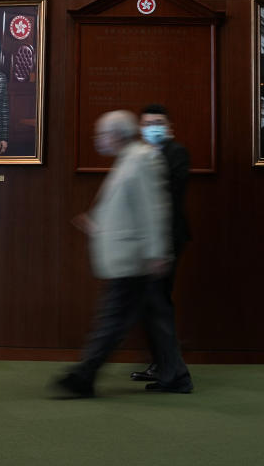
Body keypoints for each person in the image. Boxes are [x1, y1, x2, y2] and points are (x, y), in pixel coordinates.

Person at [54, 111, 193, 398]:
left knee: (113, 319)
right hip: (133, 255)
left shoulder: (142, 158)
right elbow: (126, 206)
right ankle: (176, 376)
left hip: (135, 257)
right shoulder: (130, 159)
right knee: (154, 317)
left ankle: (84, 375)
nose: (98, 139)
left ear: (116, 135)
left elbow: (153, 208)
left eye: (101, 134)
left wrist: (157, 252)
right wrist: (97, 223)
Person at [130, 104, 190, 383]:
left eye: (158, 122)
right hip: (142, 240)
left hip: (167, 239)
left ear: (168, 127)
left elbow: (168, 193)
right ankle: (162, 366)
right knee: (150, 304)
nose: (152, 127)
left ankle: (170, 369)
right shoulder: (138, 155)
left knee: (158, 302)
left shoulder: (176, 153)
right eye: (147, 123)